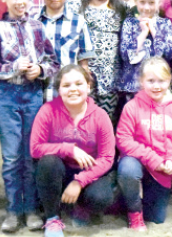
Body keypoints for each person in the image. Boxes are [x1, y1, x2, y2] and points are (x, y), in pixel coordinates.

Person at [0, 0, 59, 232]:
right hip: (7, 96)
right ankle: (13, 210)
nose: (19, 1)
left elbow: (53, 62)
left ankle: (31, 209)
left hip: (33, 95)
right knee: (12, 157)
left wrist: (39, 69)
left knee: (31, 155)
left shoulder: (38, 27)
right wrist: (13, 67)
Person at [31, 64, 116, 237]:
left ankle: (80, 206)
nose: (73, 89)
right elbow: (35, 148)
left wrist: (80, 181)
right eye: (66, 85)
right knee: (48, 161)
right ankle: (52, 218)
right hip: (58, 172)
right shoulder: (47, 111)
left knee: (102, 198)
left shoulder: (100, 116)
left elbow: (107, 157)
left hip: (88, 172)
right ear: (59, 90)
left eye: (79, 84)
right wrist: (68, 149)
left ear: (88, 86)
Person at [116, 57, 172, 231]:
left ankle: (135, 199)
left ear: (169, 80)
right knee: (128, 168)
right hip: (138, 164)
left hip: (163, 170)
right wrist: (152, 158)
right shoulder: (132, 107)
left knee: (156, 218)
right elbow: (123, 139)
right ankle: (134, 213)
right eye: (150, 81)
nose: (156, 86)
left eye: (161, 81)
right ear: (141, 81)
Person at [37, 0, 96, 101]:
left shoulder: (78, 22)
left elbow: (84, 61)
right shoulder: (34, 24)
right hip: (40, 91)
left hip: (70, 91)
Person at [79, 0, 125, 121]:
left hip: (111, 80)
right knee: (82, 123)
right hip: (82, 78)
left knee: (105, 124)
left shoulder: (123, 9)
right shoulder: (74, 6)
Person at [119, 0, 172, 103]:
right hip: (133, 86)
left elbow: (169, 53)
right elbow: (125, 54)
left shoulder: (164, 23)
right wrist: (143, 33)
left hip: (158, 85)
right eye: (142, 2)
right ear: (136, 2)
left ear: (158, 4)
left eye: (151, 3)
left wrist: (155, 32)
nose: (146, 7)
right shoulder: (129, 23)